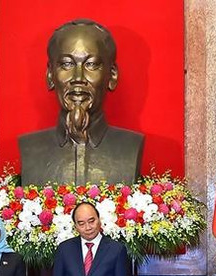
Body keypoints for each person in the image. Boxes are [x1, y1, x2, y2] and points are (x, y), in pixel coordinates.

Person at [18, 19, 144, 186]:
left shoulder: (130, 146)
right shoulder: (31, 148)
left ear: (112, 75)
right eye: (67, 64)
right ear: (50, 75)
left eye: (91, 64)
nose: (78, 78)